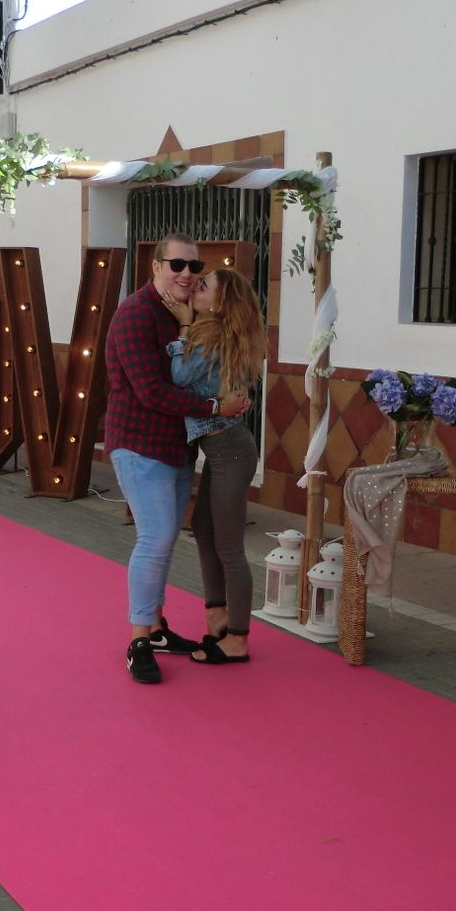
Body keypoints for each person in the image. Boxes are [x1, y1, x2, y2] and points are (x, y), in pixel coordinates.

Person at [103, 232, 251, 684]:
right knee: (156, 537)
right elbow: (151, 390)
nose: (187, 274)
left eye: (195, 267)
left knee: (166, 540)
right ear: (156, 266)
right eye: (177, 265)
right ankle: (139, 640)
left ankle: (156, 629)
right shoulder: (136, 314)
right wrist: (215, 406)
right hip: (140, 444)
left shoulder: (187, 314)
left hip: (178, 448)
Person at [168, 267, 265, 665]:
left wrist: (183, 328)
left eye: (204, 285)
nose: (195, 286)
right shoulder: (216, 333)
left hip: (230, 451)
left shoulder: (211, 337)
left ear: (221, 303)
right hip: (223, 449)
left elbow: (179, 377)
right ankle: (217, 617)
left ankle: (237, 638)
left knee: (228, 546)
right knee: (204, 529)